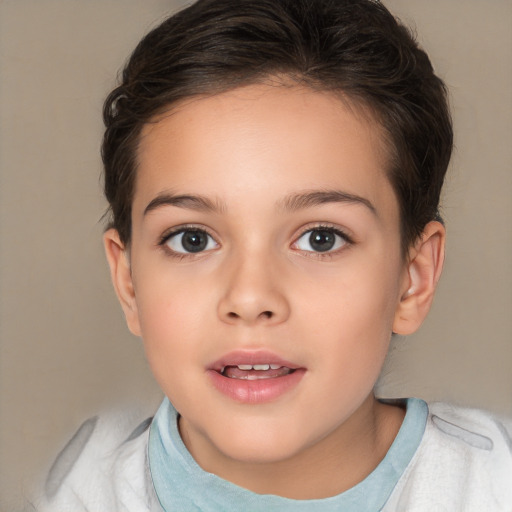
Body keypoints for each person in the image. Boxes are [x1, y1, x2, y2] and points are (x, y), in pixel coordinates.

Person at [36, 0, 512, 510]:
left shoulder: (492, 484)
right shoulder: (76, 492)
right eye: (192, 239)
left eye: (321, 239)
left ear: (412, 279)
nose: (250, 298)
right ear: (128, 281)